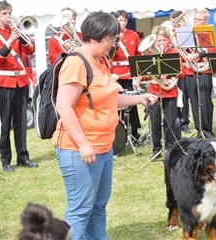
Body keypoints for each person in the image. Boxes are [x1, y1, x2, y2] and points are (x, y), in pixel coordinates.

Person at [52, 11, 157, 239]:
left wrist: (138, 98)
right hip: (78, 149)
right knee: (79, 210)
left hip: (104, 146)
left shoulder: (101, 61)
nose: (113, 44)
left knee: (98, 207)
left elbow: (108, 98)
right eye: (110, 39)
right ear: (93, 37)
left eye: (114, 39)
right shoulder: (76, 63)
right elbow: (64, 107)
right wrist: (83, 144)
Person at [0, 0, 38, 172]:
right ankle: (5, 159)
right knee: (5, 123)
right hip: (4, 83)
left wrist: (20, 34)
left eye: (9, 13)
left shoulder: (16, 31)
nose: (8, 17)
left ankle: (23, 157)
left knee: (21, 123)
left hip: (20, 81)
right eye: (4, 14)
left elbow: (31, 50)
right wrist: (10, 41)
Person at [145, 26, 182, 159]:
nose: (161, 43)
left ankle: (170, 147)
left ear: (168, 40)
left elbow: (181, 72)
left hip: (170, 91)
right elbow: (144, 75)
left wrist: (167, 74)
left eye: (164, 40)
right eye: (159, 40)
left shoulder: (173, 53)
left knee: (170, 122)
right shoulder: (150, 55)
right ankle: (156, 149)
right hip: (154, 91)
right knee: (154, 121)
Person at [184, 9, 216, 138]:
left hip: (204, 70)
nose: (197, 22)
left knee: (205, 101)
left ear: (206, 21)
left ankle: (207, 131)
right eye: (195, 19)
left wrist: (197, 55)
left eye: (200, 19)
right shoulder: (188, 33)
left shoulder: (209, 32)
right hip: (191, 71)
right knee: (194, 101)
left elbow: (213, 48)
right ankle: (199, 130)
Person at [111, 10, 142, 141]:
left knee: (132, 103)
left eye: (124, 20)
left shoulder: (133, 35)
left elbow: (138, 54)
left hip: (128, 73)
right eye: (120, 20)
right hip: (115, 73)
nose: (122, 23)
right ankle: (118, 134)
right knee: (115, 104)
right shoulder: (111, 35)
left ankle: (134, 132)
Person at [170, 10, 191, 134]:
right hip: (172, 69)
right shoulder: (170, 35)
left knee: (184, 96)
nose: (174, 24)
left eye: (176, 21)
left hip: (183, 69)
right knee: (174, 96)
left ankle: (185, 121)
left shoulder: (186, 34)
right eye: (173, 22)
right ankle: (176, 119)